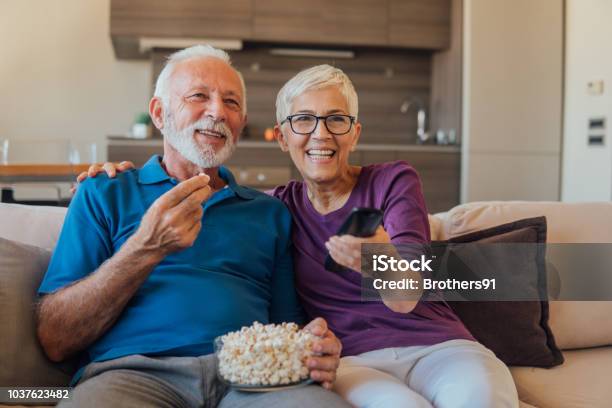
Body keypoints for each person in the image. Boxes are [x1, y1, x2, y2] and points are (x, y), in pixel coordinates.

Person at [82, 64, 520, 407]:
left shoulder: (392, 181)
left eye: (336, 120)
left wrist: (377, 256)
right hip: (353, 361)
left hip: (436, 345)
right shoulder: (276, 208)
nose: (321, 134)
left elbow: (407, 296)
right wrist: (119, 173)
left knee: (480, 397)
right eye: (304, 120)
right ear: (283, 136)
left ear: (355, 133)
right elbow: (186, 164)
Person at [37, 46, 349, 408]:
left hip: (253, 380)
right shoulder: (104, 192)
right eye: (199, 96)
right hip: (133, 378)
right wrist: (145, 248)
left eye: (231, 102)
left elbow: (288, 328)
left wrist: (313, 347)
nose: (218, 111)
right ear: (159, 113)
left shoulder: (271, 212)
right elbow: (54, 339)